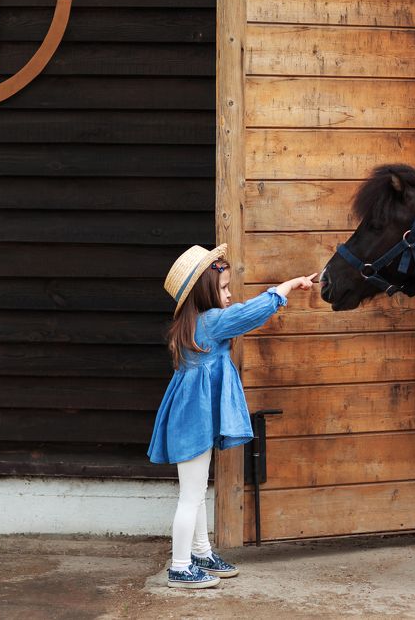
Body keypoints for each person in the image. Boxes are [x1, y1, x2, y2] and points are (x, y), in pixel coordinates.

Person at [148, 243, 315, 589]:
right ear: (205, 292)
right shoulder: (211, 323)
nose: (228, 294)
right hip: (193, 421)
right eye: (223, 288)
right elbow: (250, 313)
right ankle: (180, 567)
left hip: (192, 418)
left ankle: (200, 553)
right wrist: (287, 286)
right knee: (190, 496)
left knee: (196, 491)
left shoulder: (192, 324)